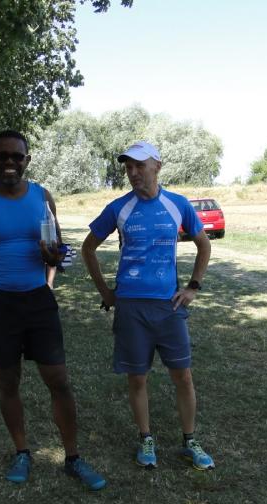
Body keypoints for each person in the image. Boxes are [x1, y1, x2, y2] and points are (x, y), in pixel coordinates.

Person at [0, 130, 106, 491]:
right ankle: (22, 452)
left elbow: (57, 249)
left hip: (37, 301)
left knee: (59, 380)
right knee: (8, 381)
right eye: (2, 156)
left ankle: (73, 457)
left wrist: (54, 258)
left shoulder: (42, 197)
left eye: (17, 156)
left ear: (27, 160)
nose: (10, 162)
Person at [81, 141, 215, 471]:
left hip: (169, 307)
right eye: (128, 167)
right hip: (131, 308)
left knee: (183, 376)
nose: (133, 172)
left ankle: (189, 440)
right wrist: (106, 292)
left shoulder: (178, 204)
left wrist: (193, 287)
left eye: (140, 165)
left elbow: (204, 245)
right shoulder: (119, 208)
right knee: (137, 379)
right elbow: (88, 248)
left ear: (157, 166)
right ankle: (146, 438)